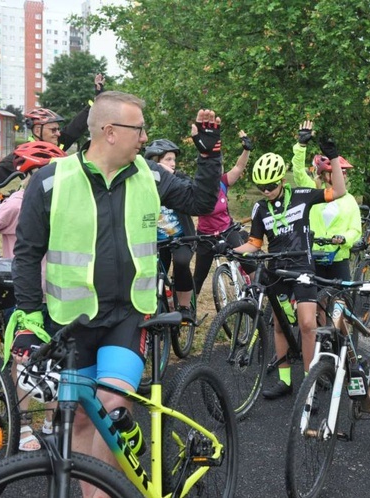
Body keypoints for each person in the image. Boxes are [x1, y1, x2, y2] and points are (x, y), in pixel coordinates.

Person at [8, 92, 222, 489]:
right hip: (70, 321)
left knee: (111, 405)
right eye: (138, 128)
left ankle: (107, 488)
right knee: (83, 416)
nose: (144, 138)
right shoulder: (51, 181)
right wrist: (27, 318)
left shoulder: (149, 174)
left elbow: (201, 201)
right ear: (109, 132)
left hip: (128, 315)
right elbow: (26, 254)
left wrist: (209, 157)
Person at [0, 141, 67, 452]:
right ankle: (23, 425)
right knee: (24, 364)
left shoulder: (64, 203)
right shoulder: (18, 204)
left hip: (59, 297)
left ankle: (51, 423)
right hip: (22, 297)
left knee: (55, 363)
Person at [230, 129, 347, 400]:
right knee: (280, 325)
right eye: (262, 188)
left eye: (271, 186)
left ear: (282, 180)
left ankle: (309, 383)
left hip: (302, 268)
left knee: (307, 324)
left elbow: (339, 191)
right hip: (276, 270)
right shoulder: (260, 208)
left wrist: (333, 157)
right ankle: (285, 380)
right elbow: (255, 244)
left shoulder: (303, 195)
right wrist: (231, 250)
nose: (266, 191)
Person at [0, 73, 106, 195]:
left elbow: (78, 124)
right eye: (53, 130)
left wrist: (97, 99)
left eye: (58, 129)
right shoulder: (24, 152)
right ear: (38, 130)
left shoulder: (59, 144)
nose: (58, 133)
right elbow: (2, 169)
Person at [292, 121, 361, 283]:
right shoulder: (314, 192)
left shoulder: (349, 200)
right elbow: (298, 172)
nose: (342, 175)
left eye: (344, 173)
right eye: (338, 172)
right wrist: (301, 146)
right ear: (324, 175)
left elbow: (356, 229)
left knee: (341, 298)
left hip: (338, 257)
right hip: (314, 255)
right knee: (316, 301)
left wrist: (344, 238)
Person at [192, 130, 254, 294]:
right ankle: (187, 312)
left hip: (227, 230)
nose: (218, 170)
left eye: (220, 166)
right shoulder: (198, 186)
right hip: (206, 236)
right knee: (198, 277)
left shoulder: (223, 182)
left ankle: (259, 295)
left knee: (250, 264)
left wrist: (246, 149)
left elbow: (239, 167)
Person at [143, 138, 197, 321]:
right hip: (157, 240)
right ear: (155, 161)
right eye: (168, 159)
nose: (173, 163)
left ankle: (184, 307)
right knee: (154, 272)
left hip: (182, 238)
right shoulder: (143, 181)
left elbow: (191, 192)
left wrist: (169, 178)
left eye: (174, 159)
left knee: (181, 263)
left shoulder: (180, 179)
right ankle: (159, 303)